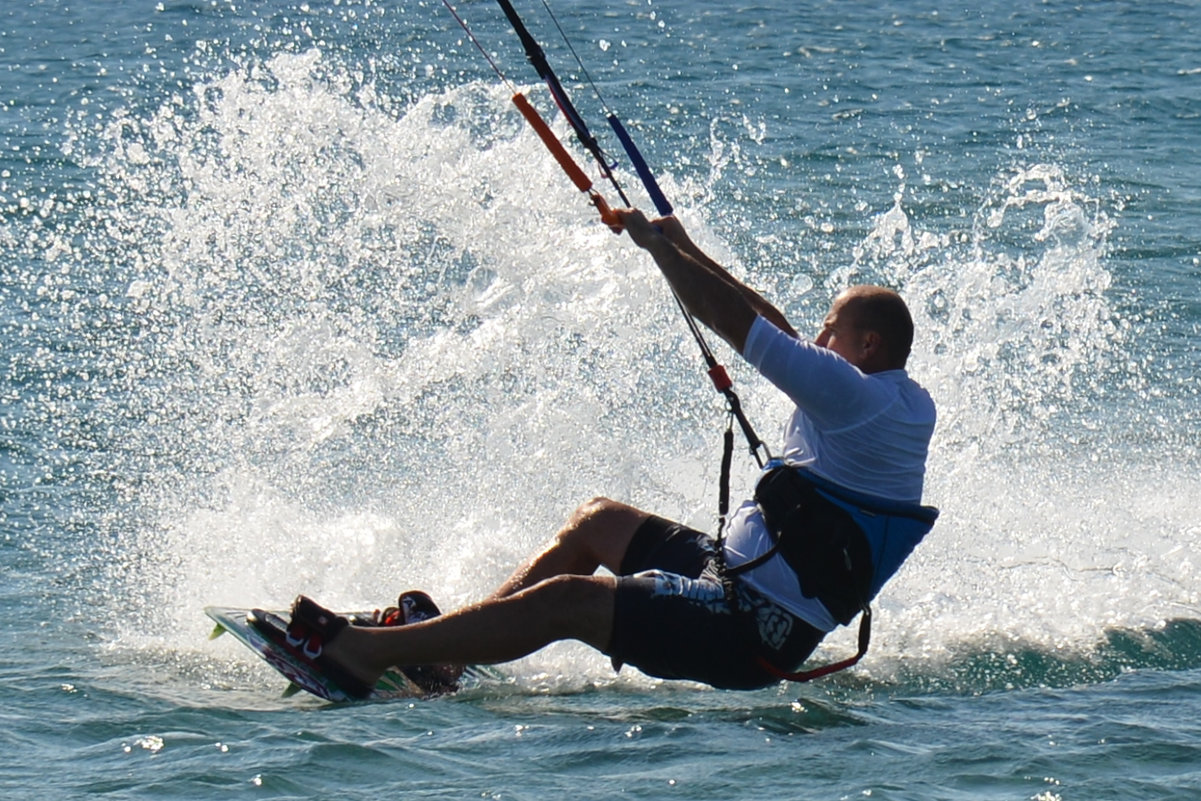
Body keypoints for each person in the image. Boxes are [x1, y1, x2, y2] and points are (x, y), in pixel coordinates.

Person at [283, 209, 936, 696]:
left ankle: (367, 654)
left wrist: (662, 255)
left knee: (567, 599)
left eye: (833, 327)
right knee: (596, 521)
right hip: (734, 578)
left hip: (750, 630)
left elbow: (745, 330)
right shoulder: (895, 399)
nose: (818, 336)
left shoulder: (853, 398)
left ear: (869, 344)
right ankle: (448, 655)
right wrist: (689, 249)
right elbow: (780, 332)